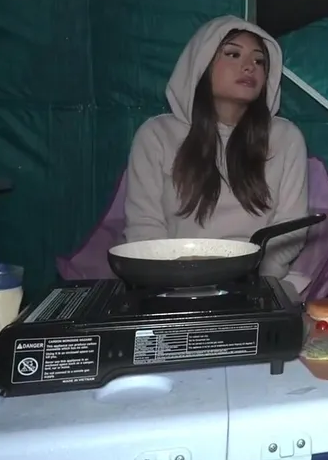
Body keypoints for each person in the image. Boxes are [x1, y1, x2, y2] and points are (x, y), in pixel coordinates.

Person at [123, 15, 310, 279]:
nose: (250, 67)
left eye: (259, 61)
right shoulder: (156, 136)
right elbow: (144, 226)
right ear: (201, 62)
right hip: (172, 282)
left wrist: (259, 281)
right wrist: (174, 280)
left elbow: (291, 229)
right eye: (233, 54)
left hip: (258, 283)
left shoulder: (286, 138)